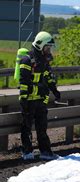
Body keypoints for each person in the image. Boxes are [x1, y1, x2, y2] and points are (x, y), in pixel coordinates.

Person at [19, 31, 61, 161]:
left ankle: (45, 152)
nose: (49, 50)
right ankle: (27, 152)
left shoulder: (44, 61)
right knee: (26, 127)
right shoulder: (27, 60)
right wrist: (24, 100)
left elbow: (48, 77)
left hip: (41, 100)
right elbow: (24, 82)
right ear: (40, 45)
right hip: (29, 100)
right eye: (47, 47)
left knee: (42, 127)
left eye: (49, 48)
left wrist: (54, 90)